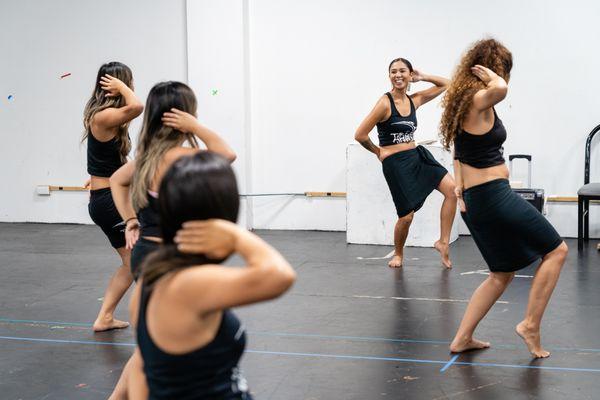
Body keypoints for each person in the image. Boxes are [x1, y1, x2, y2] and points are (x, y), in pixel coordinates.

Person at [127, 152, 296, 399]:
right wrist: (236, 236)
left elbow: (142, 368)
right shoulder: (189, 284)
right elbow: (280, 275)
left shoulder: (154, 275)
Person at [440, 38, 568, 358]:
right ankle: (530, 326)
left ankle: (462, 338)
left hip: (479, 199)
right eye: (504, 70)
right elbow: (501, 90)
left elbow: (458, 150)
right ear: (492, 70)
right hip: (493, 197)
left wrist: (458, 185)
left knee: (501, 274)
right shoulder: (480, 97)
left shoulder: (466, 102)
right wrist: (494, 78)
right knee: (557, 250)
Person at [355, 58, 456, 268]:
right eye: (393, 71)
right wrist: (377, 152)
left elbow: (448, 84)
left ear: (410, 75)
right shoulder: (384, 103)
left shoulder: (414, 100)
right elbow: (360, 134)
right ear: (389, 76)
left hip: (417, 156)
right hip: (396, 164)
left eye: (403, 71)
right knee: (406, 216)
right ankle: (398, 253)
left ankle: (442, 242)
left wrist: (423, 77)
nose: (398, 75)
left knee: (453, 190)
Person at [83, 61, 143, 331]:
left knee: (132, 262)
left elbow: (106, 155)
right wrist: (121, 88)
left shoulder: (106, 116)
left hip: (107, 196)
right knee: (141, 257)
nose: (132, 87)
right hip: (110, 201)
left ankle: (105, 317)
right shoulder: (104, 115)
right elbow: (138, 106)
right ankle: (158, 320)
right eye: (128, 82)